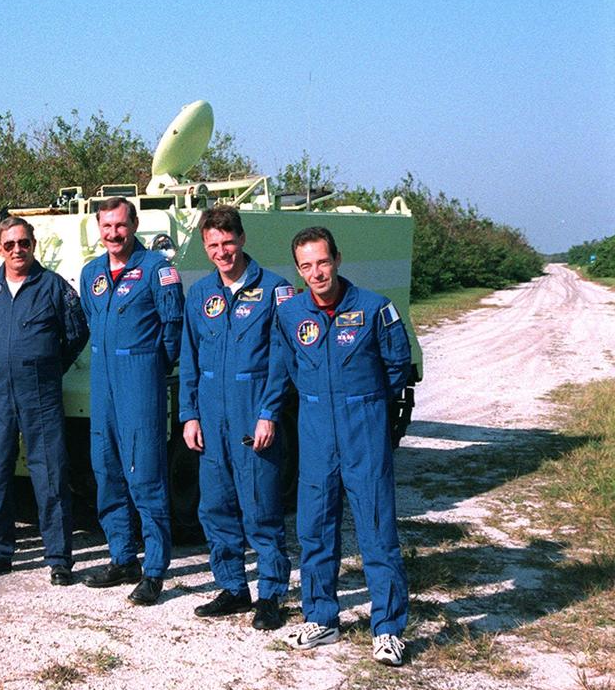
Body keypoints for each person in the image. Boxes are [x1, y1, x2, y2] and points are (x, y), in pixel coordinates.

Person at [269, 226, 412, 666]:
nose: (316, 272)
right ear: (298, 269)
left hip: (362, 427)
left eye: (323, 262)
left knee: (376, 529)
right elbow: (286, 367)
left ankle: (387, 628)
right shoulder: (290, 314)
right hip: (314, 430)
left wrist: (366, 405)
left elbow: (397, 366)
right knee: (314, 528)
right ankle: (322, 618)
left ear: (338, 259)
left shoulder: (374, 308)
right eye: (306, 265)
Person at [180, 206, 294, 630]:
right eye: (213, 245)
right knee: (215, 506)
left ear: (242, 239)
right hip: (210, 417)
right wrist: (189, 415)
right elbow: (189, 358)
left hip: (252, 416)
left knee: (260, 507)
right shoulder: (201, 294)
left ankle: (271, 594)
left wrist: (269, 413)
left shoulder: (274, 291)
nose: (222, 252)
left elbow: (282, 360)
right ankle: (232, 587)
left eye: (228, 243)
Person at [0, 216, 89, 584]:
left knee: (50, 473)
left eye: (23, 243)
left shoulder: (53, 286)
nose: (17, 250)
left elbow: (76, 333)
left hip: (40, 392)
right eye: (10, 244)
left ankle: (58, 557)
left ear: (33, 245)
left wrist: (47, 366)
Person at [79, 198, 184, 605]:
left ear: (134, 224)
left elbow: (172, 326)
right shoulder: (92, 273)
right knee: (106, 469)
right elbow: (92, 317)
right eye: (106, 226)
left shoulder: (158, 269)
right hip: (102, 377)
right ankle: (123, 557)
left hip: (141, 376)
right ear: (99, 228)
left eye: (120, 225)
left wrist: (152, 366)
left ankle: (155, 569)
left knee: (145, 474)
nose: (113, 234)